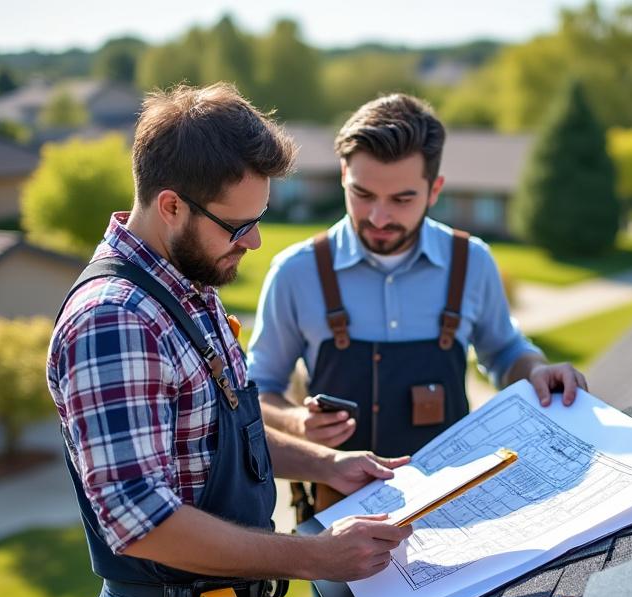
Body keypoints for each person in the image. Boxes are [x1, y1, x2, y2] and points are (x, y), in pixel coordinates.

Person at [47, 83, 414, 597]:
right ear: (170, 205)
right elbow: (142, 524)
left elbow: (225, 428)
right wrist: (315, 556)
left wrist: (326, 463)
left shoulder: (189, 284)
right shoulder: (113, 322)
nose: (254, 240)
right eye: (236, 224)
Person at [249, 94, 588, 502]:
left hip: (454, 500)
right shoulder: (296, 273)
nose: (378, 217)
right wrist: (297, 422)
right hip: (340, 513)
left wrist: (535, 370)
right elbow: (259, 389)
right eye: (363, 194)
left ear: (435, 190)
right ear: (343, 175)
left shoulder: (472, 262)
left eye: (401, 199)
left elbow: (504, 352)